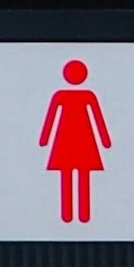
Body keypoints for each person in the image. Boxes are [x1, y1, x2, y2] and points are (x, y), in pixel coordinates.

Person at [40, 59, 111, 225]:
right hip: (71, 139)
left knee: (78, 175)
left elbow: (97, 117)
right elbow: (51, 117)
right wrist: (104, 140)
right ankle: (70, 215)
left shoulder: (86, 96)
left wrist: (105, 139)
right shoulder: (63, 96)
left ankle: (79, 215)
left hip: (79, 139)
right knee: (71, 175)